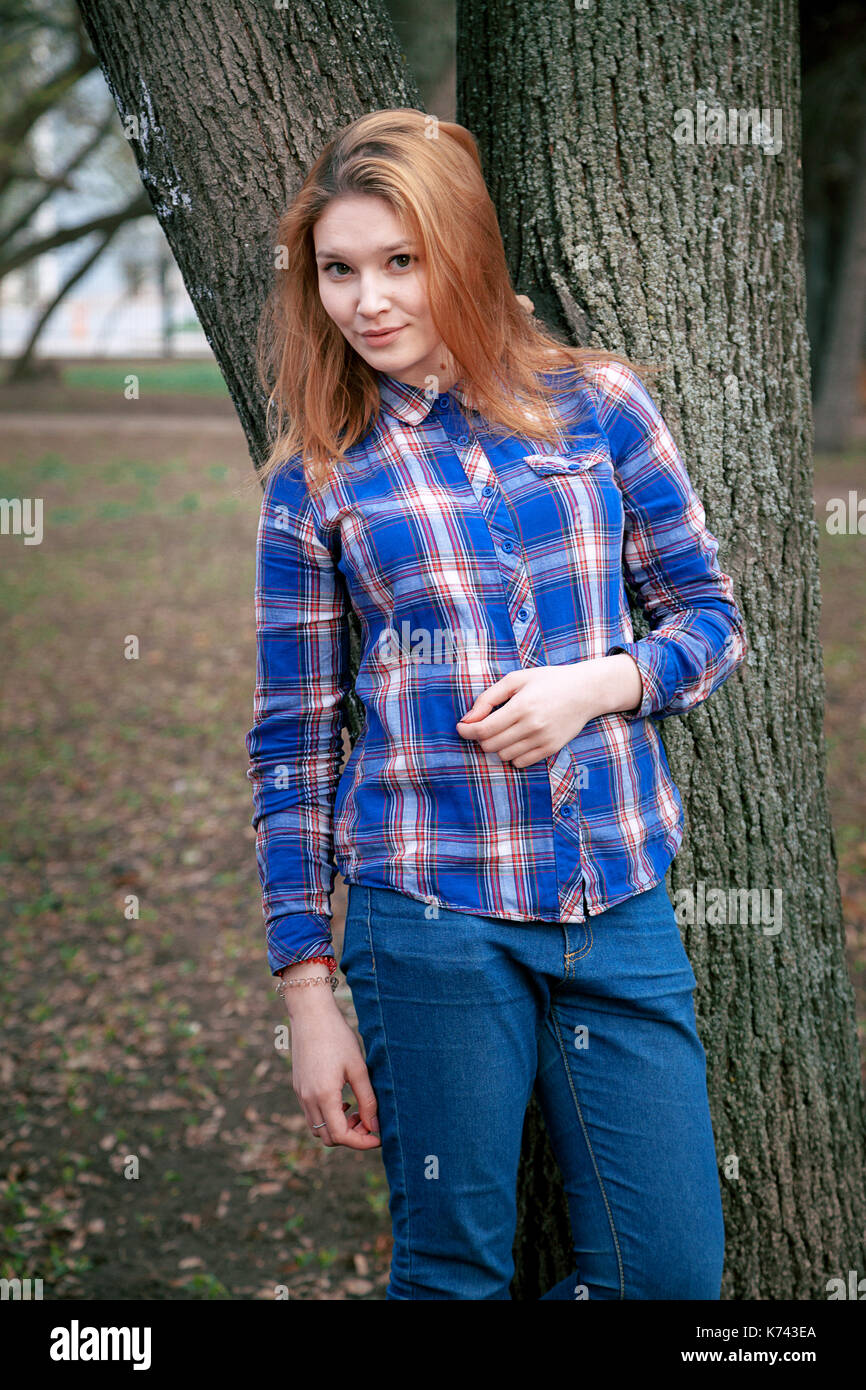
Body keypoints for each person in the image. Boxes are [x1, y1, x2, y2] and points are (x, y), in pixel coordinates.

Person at [245, 107, 748, 1301]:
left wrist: (600, 684)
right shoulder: (318, 480)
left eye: (399, 262)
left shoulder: (602, 405)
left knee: (669, 1277)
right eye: (339, 270)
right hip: (426, 912)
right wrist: (305, 991)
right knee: (450, 1273)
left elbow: (713, 619)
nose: (366, 301)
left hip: (614, 896)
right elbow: (292, 743)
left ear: (460, 252)